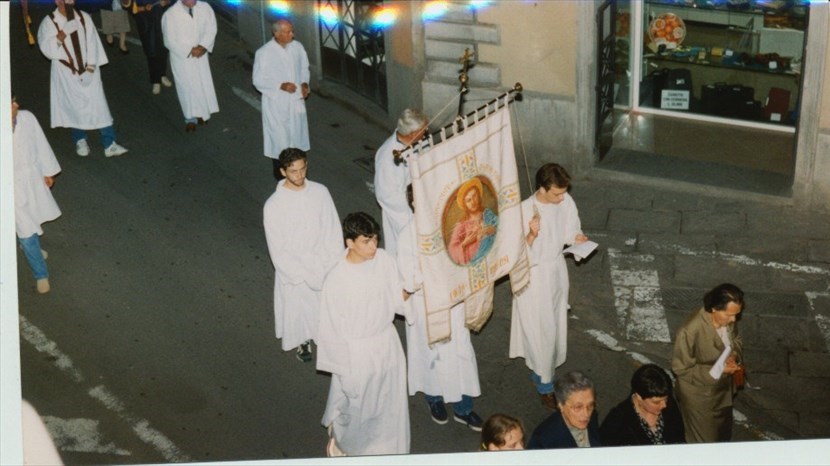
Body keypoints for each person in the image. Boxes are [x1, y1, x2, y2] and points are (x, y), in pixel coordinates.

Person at [316, 212, 410, 456]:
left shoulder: (385, 260)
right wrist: (343, 371)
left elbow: (396, 301)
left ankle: (387, 451)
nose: (373, 246)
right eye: (366, 241)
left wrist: (410, 290)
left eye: (375, 239)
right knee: (359, 407)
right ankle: (346, 445)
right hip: (356, 352)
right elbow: (331, 330)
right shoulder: (337, 278)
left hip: (387, 343)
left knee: (389, 403)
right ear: (349, 242)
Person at [398, 185, 483, 432]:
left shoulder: (450, 226)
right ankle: (434, 398)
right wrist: (429, 274)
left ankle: (463, 408)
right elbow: (408, 276)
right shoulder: (407, 235)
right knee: (431, 355)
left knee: (460, 354)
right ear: (414, 203)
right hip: (427, 305)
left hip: (453, 303)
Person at [509, 163, 588, 409]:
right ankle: (545, 384)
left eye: (564, 192)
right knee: (541, 330)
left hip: (555, 272)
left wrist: (577, 238)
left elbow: (571, 228)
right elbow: (513, 253)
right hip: (534, 278)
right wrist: (531, 235)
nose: (562, 198)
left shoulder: (565, 200)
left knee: (553, 328)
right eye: (556, 193)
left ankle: (543, 371)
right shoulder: (524, 210)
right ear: (542, 189)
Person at [263, 148, 342, 363]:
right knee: (299, 308)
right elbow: (277, 246)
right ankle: (303, 339)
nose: (299, 175)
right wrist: (299, 272)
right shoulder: (274, 205)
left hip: (322, 260)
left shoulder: (320, 192)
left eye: (303, 169)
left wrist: (331, 260)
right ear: (282, 172)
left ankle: (327, 339)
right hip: (295, 267)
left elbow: (332, 226)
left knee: (324, 307)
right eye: (293, 171)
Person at [37, 0, 129, 158]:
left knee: (99, 106)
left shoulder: (84, 17)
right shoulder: (49, 22)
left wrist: (90, 69)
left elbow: (93, 43)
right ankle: (80, 139)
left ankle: (109, 144)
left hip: (89, 70)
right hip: (66, 72)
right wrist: (63, 33)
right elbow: (47, 50)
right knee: (75, 106)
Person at [672, 283, 745, 443]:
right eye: (729, 315)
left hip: (723, 392)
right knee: (705, 443)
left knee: (722, 436)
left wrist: (733, 355)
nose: (734, 319)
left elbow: (736, 339)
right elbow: (681, 369)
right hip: (700, 398)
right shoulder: (690, 331)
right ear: (714, 308)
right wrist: (719, 371)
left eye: (736, 314)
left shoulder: (727, 319)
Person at [12, 96, 62, 295]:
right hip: (10, 185)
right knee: (25, 230)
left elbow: (41, 144)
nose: (16, 105)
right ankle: (41, 273)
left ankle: (31, 247)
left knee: (33, 217)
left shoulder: (27, 118)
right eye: (9, 103)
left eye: (14, 100)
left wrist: (48, 171)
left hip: (32, 176)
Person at [252, 19, 310, 181]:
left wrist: (304, 83)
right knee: (280, 141)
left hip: (295, 101)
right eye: (287, 32)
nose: (292, 35)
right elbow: (258, 80)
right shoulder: (264, 53)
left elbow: (304, 68)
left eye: (292, 31)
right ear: (276, 33)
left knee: (297, 139)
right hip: (277, 104)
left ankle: (301, 175)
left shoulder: (297, 47)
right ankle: (282, 178)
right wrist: (280, 85)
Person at [373, 108, 428, 255]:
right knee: (408, 250)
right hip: (404, 213)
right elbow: (386, 195)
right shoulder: (387, 157)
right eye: (424, 130)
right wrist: (415, 206)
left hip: (422, 198)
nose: (426, 132)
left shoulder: (419, 141)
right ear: (413, 134)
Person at [162, 0, 218, 132]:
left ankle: (202, 113)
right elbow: (169, 41)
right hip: (182, 58)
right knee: (186, 88)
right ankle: (190, 118)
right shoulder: (170, 14)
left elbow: (211, 29)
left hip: (201, 54)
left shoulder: (205, 8)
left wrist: (203, 46)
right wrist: (190, 50)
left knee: (201, 84)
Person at [599, 363, 686, 446]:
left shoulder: (669, 405)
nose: (664, 405)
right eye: (656, 402)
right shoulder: (617, 421)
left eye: (666, 399)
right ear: (639, 397)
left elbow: (680, 439)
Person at [526, 371, 601, 449]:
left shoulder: (592, 414)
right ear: (561, 405)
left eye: (590, 405)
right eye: (578, 407)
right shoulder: (543, 442)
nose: (586, 414)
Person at [447, 177, 498, 265]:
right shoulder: (462, 225)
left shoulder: (487, 214)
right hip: (474, 262)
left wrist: (492, 229)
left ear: (479, 196)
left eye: (474, 196)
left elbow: (502, 226)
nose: (473, 202)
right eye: (468, 200)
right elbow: (452, 250)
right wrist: (465, 243)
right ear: (465, 204)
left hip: (493, 257)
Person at [127, 0, 173, 95]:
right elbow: (130, 8)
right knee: (151, 51)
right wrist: (144, 8)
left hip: (162, 17)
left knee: (163, 48)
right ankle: (155, 80)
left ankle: (162, 74)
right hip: (146, 22)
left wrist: (167, 2)